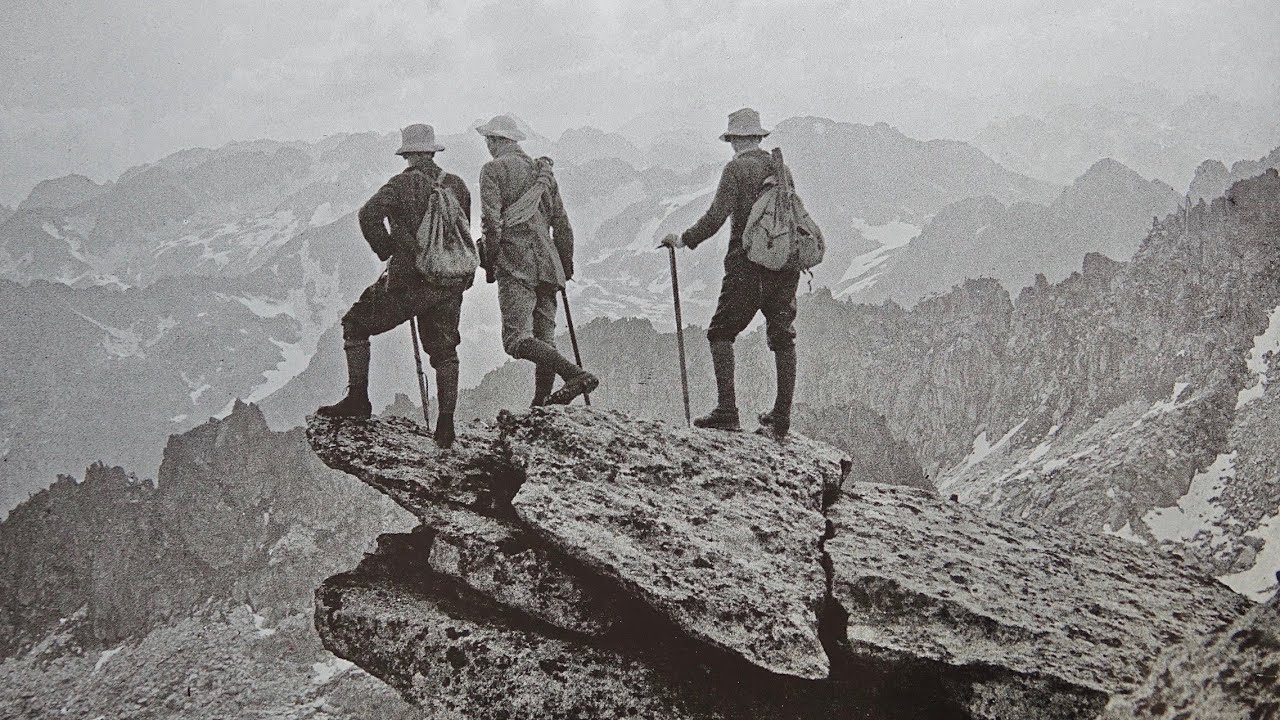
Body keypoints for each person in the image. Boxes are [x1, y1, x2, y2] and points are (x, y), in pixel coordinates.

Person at [318, 123, 473, 449]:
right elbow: (462, 235)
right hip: (448, 282)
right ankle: (446, 425)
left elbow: (368, 215)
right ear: (432, 151)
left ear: (409, 154)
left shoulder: (402, 184)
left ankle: (358, 400)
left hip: (409, 282)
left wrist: (387, 248)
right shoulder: (457, 186)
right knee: (445, 351)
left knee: (355, 323)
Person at [663, 108, 800, 438]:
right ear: (758, 136)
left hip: (746, 267)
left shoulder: (736, 168)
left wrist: (682, 240)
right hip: (784, 265)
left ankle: (727, 411)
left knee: (720, 333)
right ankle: (780, 417)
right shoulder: (780, 168)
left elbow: (716, 216)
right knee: (783, 335)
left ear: (735, 139)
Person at [476, 114, 597, 407]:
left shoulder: (492, 170)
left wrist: (490, 263)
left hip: (515, 261)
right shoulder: (542, 172)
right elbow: (563, 226)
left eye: (488, 140)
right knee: (545, 336)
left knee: (515, 340)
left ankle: (576, 375)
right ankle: (541, 401)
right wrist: (565, 267)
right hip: (549, 264)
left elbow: (492, 224)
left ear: (495, 141)